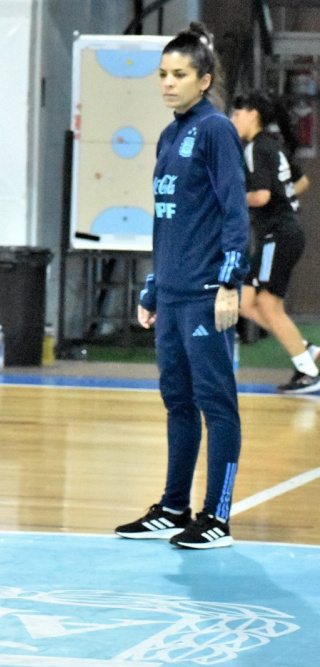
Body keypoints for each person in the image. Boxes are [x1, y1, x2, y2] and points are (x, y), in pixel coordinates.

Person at [115, 23, 249, 549]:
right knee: (177, 401)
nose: (168, 83)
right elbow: (167, 219)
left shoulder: (216, 130)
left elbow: (234, 212)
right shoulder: (171, 135)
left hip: (204, 294)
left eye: (180, 75)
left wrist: (229, 282)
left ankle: (216, 517)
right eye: (163, 74)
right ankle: (174, 507)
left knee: (217, 403)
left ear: (204, 79)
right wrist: (152, 286)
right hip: (171, 295)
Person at [230, 91, 320, 394]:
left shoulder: (256, 148)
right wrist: (287, 197)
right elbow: (302, 180)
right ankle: (305, 350)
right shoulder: (273, 146)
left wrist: (226, 201)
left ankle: (309, 372)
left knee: (268, 303)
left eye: (237, 113)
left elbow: (261, 196)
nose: (233, 119)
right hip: (281, 232)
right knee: (243, 301)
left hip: (278, 234)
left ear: (252, 114)